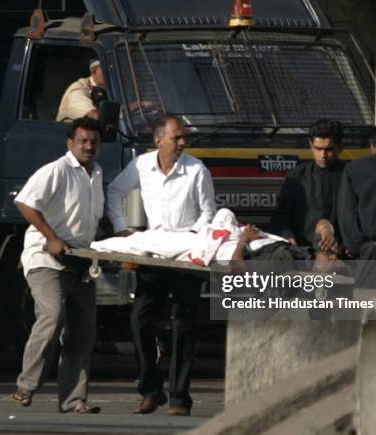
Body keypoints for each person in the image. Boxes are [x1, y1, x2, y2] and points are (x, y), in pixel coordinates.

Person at [106, 115, 216, 416]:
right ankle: (151, 390)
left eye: (184, 138)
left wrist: (193, 238)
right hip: (152, 254)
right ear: (158, 140)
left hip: (185, 256)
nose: (182, 143)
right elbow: (115, 192)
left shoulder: (196, 170)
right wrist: (121, 227)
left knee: (184, 324)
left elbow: (209, 212)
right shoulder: (142, 165)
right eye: (176, 137)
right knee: (139, 319)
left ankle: (179, 397)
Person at [11, 117, 104, 414]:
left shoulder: (97, 172)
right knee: (52, 315)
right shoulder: (56, 170)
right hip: (44, 256)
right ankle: (26, 386)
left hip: (79, 259)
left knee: (83, 333)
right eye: (82, 141)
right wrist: (51, 237)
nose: (89, 146)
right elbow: (25, 202)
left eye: (93, 142)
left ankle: (74, 400)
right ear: (70, 143)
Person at [269, 119, 346, 255]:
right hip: (303, 253)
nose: (323, 155)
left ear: (340, 147)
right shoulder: (297, 176)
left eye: (329, 149)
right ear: (310, 145)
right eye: (318, 149)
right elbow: (280, 217)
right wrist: (288, 238)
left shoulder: (350, 175)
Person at [337, 122, 376, 261]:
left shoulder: (354, 169)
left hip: (372, 251)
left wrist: (355, 248)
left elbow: (346, 214)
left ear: (372, 145)